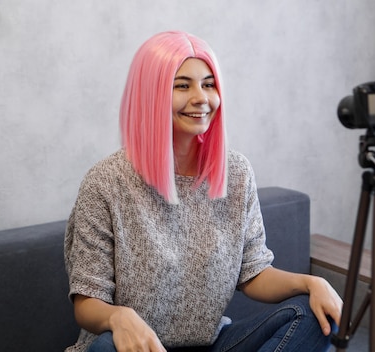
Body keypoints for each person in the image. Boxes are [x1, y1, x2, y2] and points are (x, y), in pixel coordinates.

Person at [63, 31, 342, 352]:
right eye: (182, 85)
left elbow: (254, 274)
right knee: (105, 348)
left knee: (311, 314)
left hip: (211, 344)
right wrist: (118, 317)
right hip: (134, 346)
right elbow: (86, 302)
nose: (201, 97)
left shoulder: (236, 172)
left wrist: (311, 282)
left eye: (209, 84)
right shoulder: (106, 182)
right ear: (149, 94)